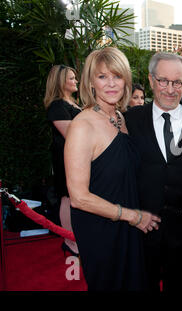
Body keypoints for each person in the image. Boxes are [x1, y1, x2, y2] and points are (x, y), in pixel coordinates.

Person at [64, 47, 160, 290]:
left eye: (117, 76)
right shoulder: (82, 125)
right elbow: (78, 198)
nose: (111, 84)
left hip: (130, 224)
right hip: (102, 230)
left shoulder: (120, 117)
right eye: (102, 76)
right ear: (90, 82)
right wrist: (133, 216)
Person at [124, 52, 182, 291]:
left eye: (177, 82)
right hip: (140, 224)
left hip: (180, 226)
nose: (170, 89)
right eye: (163, 80)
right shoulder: (129, 120)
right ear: (151, 80)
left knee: (177, 283)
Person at [44, 64, 81, 257]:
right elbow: (71, 134)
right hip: (66, 159)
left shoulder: (74, 102)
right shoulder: (57, 105)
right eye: (71, 78)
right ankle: (70, 241)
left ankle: (78, 238)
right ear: (60, 81)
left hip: (79, 158)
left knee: (76, 198)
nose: (75, 81)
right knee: (67, 198)